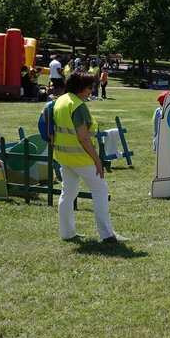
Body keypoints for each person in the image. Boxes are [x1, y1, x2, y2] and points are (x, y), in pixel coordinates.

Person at [52, 72, 124, 243]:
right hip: (80, 158)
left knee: (68, 193)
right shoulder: (78, 105)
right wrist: (97, 160)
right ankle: (107, 234)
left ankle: (67, 233)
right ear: (80, 89)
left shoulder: (61, 100)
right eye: (90, 87)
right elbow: (83, 137)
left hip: (63, 156)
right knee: (100, 190)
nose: (92, 91)